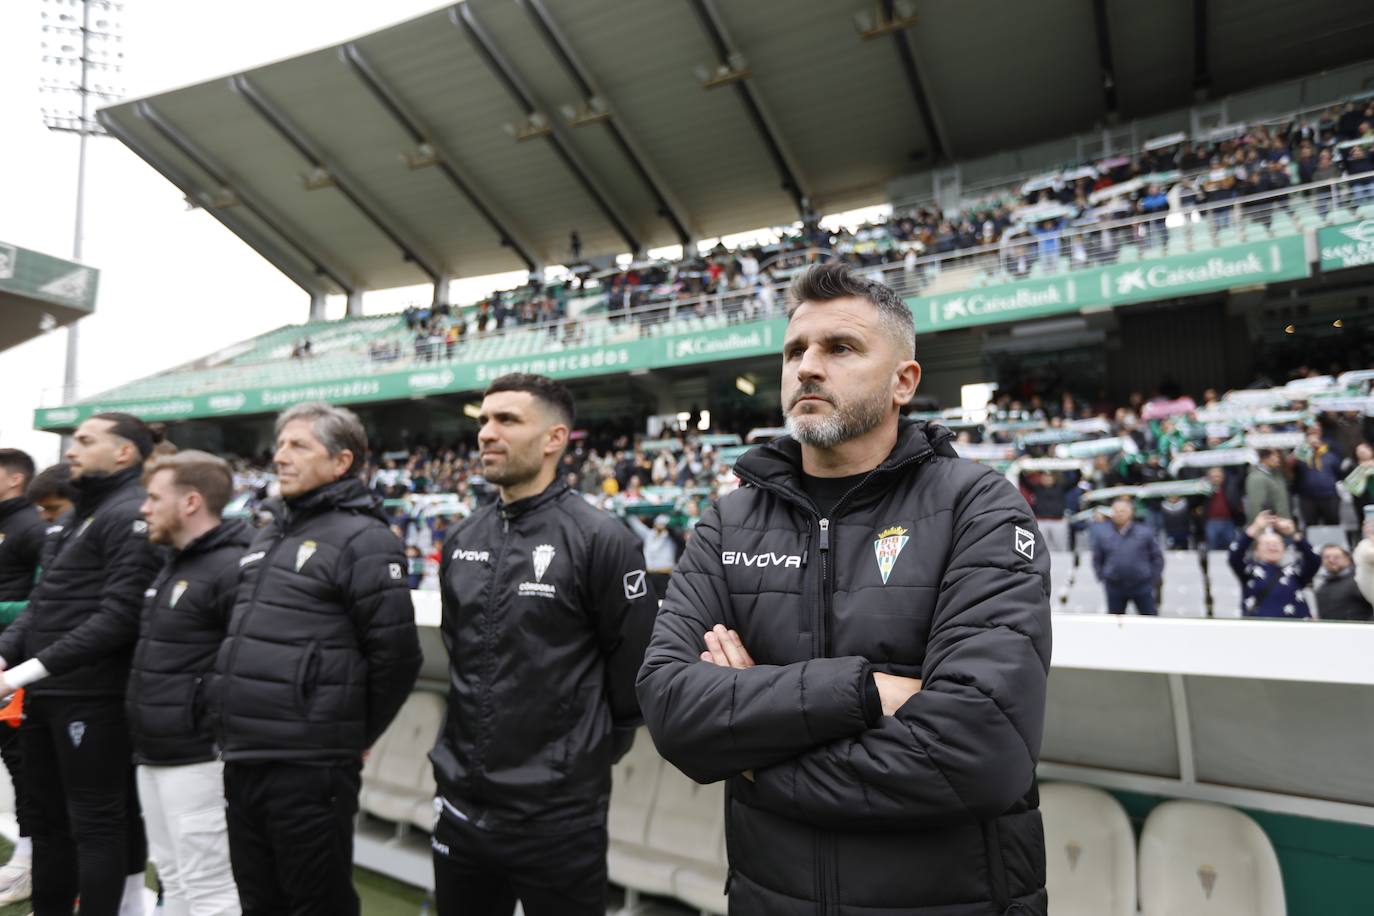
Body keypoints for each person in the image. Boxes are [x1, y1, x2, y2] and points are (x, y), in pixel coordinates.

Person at [637, 263, 1052, 914]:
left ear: (903, 381)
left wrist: (750, 758)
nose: (807, 366)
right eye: (795, 349)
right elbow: (670, 707)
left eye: (840, 348)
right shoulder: (729, 520)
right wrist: (865, 692)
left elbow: (981, 751)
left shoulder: (979, 507)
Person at [430, 374, 658, 916]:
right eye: (483, 419)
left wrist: (576, 761)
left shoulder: (602, 539)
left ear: (554, 438)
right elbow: (459, 654)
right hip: (461, 806)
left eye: (507, 420)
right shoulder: (463, 539)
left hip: (558, 815)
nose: (486, 432)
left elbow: (631, 676)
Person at [213, 402, 423, 916]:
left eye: (298, 445)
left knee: (315, 902)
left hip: (310, 764)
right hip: (244, 753)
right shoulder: (268, 533)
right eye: (280, 444)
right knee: (259, 900)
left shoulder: (367, 539)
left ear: (341, 462)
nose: (280, 456)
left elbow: (397, 656)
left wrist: (351, 735)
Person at [0, 414, 162, 916]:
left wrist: (19, 673)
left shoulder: (130, 513)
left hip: (93, 699)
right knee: (46, 822)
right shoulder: (72, 519)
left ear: (124, 453)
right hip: (49, 696)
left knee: (93, 825)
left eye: (86, 441)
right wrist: (5, 653)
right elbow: (42, 606)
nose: (71, 450)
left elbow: (118, 618)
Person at [128, 451, 249, 915]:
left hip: (198, 757)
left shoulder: (233, 566)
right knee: (174, 880)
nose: (144, 508)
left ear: (191, 502)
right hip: (153, 748)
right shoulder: (173, 564)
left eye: (154, 498)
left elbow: (238, 663)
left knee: (210, 890)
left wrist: (205, 724)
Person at [0, 449, 45, 905]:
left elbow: (42, 600)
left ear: (15, 480)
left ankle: (28, 863)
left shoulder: (32, 526)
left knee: (21, 760)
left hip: (13, 665)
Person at [1228, 510, 1320, 618]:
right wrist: (1254, 528)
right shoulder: (1249, 570)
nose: (1272, 547)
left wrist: (1294, 534)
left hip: (1295, 630)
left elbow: (1314, 560)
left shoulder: (1295, 572)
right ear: (1256, 552)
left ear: (1284, 549)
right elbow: (1234, 556)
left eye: (1276, 544)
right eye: (1267, 544)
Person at [1092, 496, 1164, 615]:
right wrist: (1102, 577)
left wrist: (1152, 579)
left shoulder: (1144, 532)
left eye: (1123, 511)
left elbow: (1157, 558)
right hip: (1114, 586)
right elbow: (1097, 558)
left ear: (1131, 513)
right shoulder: (1103, 534)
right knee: (1115, 624)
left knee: (1150, 620)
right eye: (1116, 511)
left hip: (1142, 585)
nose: (1119, 514)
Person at [1294, 425, 1343, 526]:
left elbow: (1338, 471)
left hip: (1329, 495)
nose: (1314, 443)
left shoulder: (1330, 451)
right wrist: (1304, 448)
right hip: (1307, 497)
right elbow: (1290, 465)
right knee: (1311, 525)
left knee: (1333, 523)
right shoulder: (1301, 452)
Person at [625, 512, 679, 599]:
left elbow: (677, 530)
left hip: (665, 575)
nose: (660, 525)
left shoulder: (671, 536)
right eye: (659, 523)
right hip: (650, 575)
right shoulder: (649, 535)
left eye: (663, 524)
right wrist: (628, 510)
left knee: (665, 600)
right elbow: (634, 523)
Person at [1313, 544, 1372, 621]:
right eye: (1327, 557)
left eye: (1336, 557)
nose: (1331, 560)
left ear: (1347, 559)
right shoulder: (1322, 586)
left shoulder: (1360, 581)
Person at [1202, 466, 1245, 550]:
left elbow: (1240, 478)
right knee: (1212, 545)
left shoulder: (1230, 485)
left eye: (1218, 476)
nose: (1216, 479)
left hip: (1228, 521)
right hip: (1211, 522)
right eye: (1213, 477)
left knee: (1231, 545)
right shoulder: (1205, 489)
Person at [1245, 448, 1291, 522]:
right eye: (1276, 456)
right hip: (1270, 526)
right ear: (1265, 459)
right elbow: (1256, 507)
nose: (1278, 459)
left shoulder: (1276, 474)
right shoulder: (1256, 478)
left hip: (1283, 523)